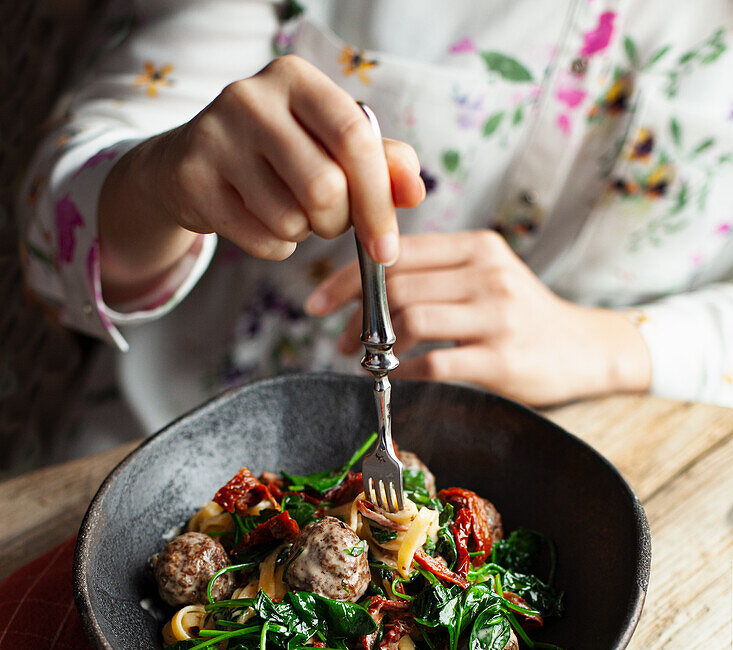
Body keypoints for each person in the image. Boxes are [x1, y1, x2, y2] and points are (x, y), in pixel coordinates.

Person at [20, 1, 733, 461]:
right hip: (172, 451)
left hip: (613, 482)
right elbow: (51, 230)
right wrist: (158, 181)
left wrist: (621, 344)